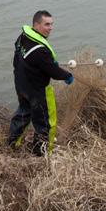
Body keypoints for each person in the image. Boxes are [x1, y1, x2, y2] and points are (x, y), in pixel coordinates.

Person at [8, 10, 74, 156]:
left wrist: (47, 64)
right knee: (46, 123)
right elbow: (54, 72)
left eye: (51, 24)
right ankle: (41, 153)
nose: (50, 28)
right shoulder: (40, 50)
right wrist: (67, 75)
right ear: (36, 25)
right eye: (47, 24)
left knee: (23, 114)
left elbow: (17, 60)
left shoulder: (22, 37)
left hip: (21, 86)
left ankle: (12, 143)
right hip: (38, 91)